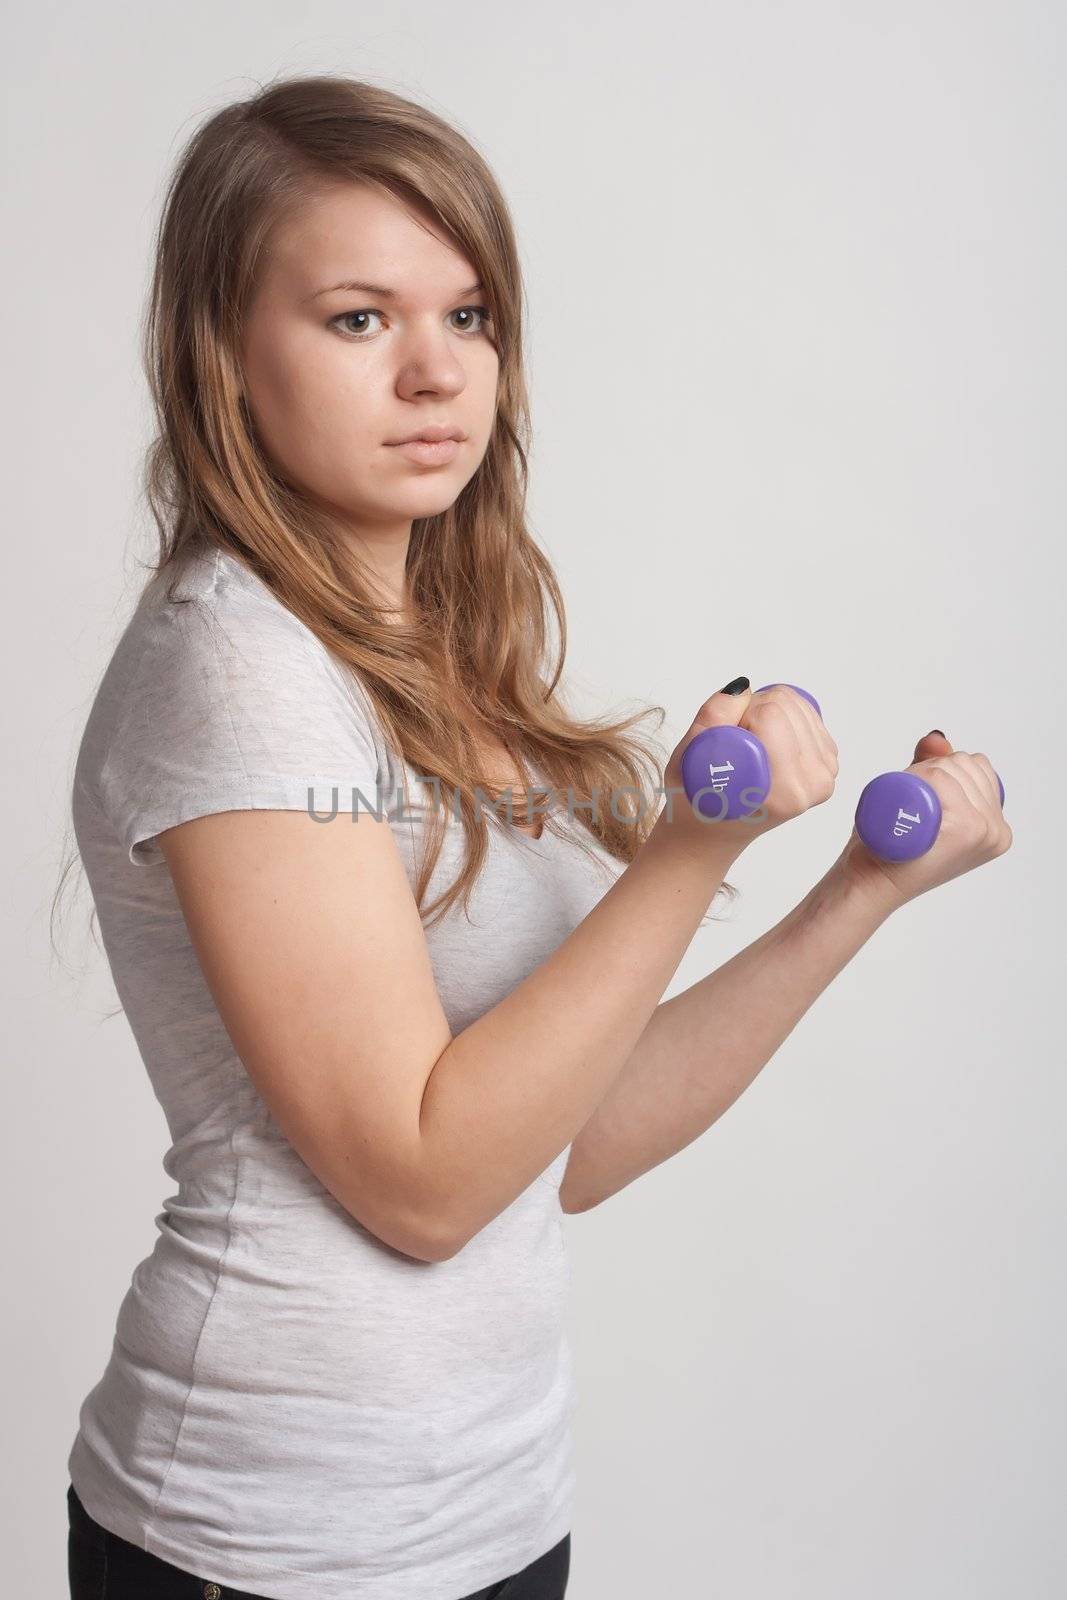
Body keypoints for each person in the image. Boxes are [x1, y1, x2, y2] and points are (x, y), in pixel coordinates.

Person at [60, 73, 1012, 1600]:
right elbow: (425, 1183)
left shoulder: (439, 654)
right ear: (225, 358)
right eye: (360, 319)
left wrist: (859, 889)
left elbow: (563, 1145)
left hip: (491, 1506)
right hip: (276, 1538)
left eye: (472, 314)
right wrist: (690, 852)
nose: (436, 372)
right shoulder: (238, 665)